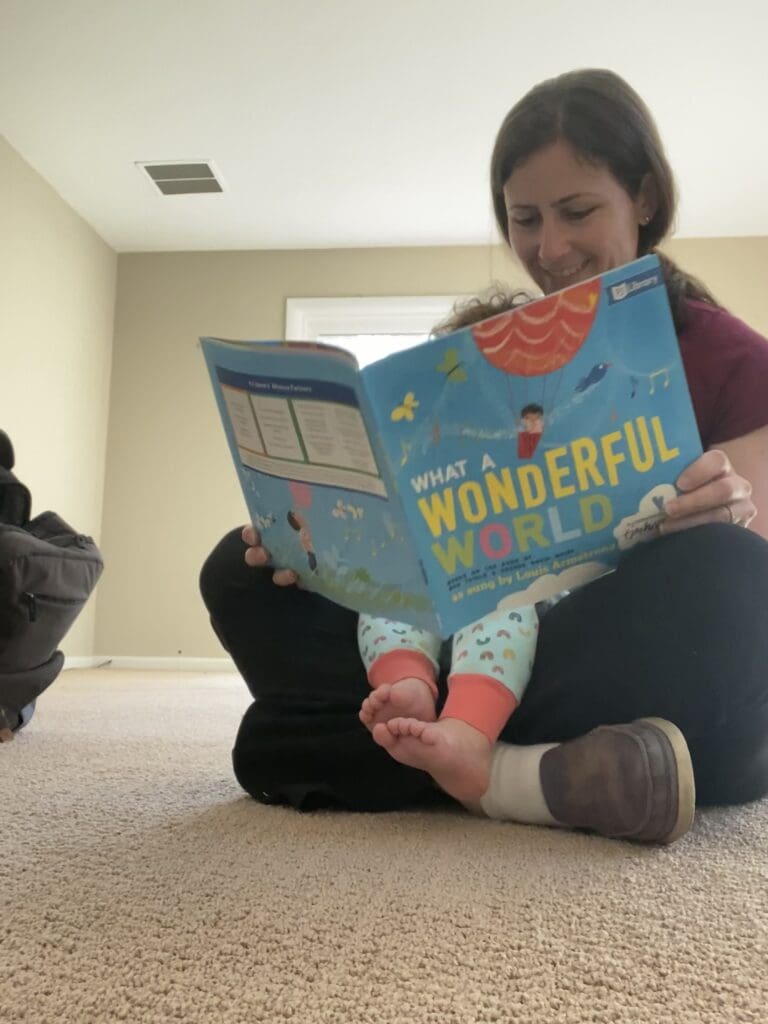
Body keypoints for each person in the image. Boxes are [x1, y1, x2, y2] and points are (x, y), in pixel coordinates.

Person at [200, 68, 768, 843]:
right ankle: (555, 770)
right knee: (236, 574)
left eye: (577, 212)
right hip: (463, 633)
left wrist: (730, 510)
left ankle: (447, 762)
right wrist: (319, 541)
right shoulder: (492, 358)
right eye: (524, 218)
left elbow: (748, 554)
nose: (548, 247)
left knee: (734, 583)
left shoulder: (734, 358)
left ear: (642, 197)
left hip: (599, 630)